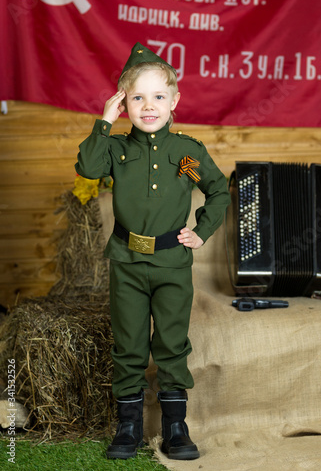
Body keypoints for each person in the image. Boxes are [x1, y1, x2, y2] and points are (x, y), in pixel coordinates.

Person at [75, 42, 231, 461]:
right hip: (126, 263)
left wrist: (201, 231)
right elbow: (88, 168)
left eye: (158, 97)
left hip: (172, 265)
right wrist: (103, 122)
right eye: (137, 97)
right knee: (128, 345)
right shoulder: (115, 150)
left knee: (172, 343)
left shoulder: (186, 154)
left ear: (174, 101)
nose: (149, 107)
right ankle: (128, 427)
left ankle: (176, 428)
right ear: (124, 102)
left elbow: (217, 191)